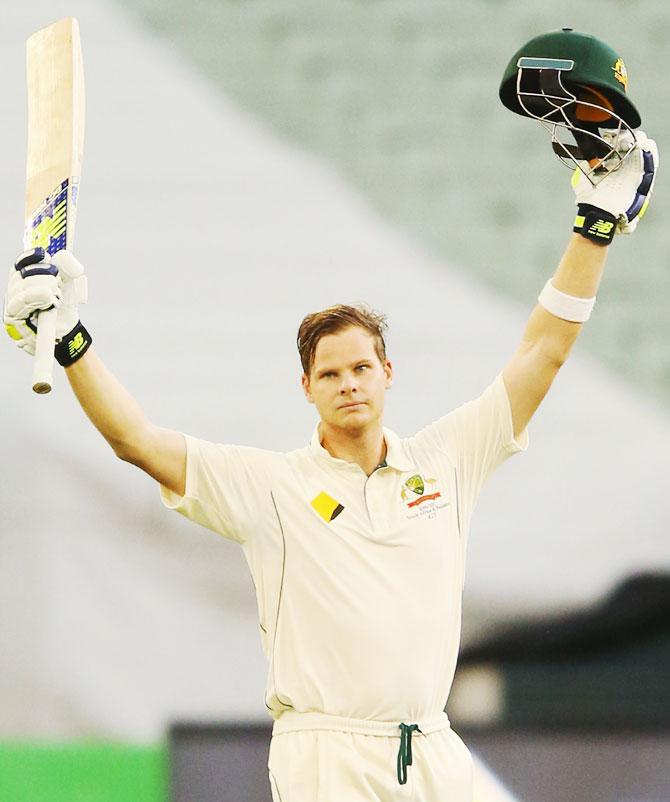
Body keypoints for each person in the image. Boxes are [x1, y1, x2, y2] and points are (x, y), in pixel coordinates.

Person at [4, 120, 657, 799]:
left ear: (386, 373)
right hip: (327, 755)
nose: (348, 383)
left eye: (361, 368)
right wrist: (73, 342)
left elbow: (541, 354)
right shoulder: (273, 487)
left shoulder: (448, 458)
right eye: (330, 374)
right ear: (307, 389)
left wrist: (596, 226)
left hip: (429, 744)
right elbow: (136, 441)